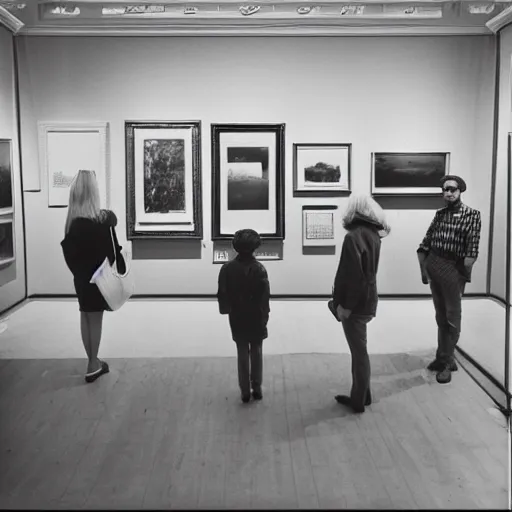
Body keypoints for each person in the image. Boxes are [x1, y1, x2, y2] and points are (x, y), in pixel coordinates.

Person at [61, 170, 125, 383]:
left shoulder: (72, 224)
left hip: (81, 279)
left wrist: (79, 273)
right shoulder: (101, 220)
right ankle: (92, 364)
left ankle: (92, 359)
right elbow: (111, 252)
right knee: (96, 319)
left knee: (85, 315)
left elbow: (69, 255)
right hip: (99, 278)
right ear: (93, 192)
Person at [417, 175, 481, 384]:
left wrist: (462, 274)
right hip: (435, 264)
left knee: (453, 316)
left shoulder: (472, 215)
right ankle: (443, 356)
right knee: (441, 315)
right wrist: (424, 267)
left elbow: (472, 250)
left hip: (454, 268)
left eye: (452, 189)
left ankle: (447, 361)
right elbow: (427, 241)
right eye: (445, 190)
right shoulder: (440, 215)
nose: (449, 193)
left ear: (460, 190)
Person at [332, 194, 391, 413]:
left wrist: (346, 305)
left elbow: (353, 275)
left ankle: (358, 399)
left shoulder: (354, 237)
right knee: (360, 350)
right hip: (368, 298)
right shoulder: (373, 234)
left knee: (359, 353)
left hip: (355, 303)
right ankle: (363, 394)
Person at [217, 229, 271, 403]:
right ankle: (257, 387)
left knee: (241, 350)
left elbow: (222, 294)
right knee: (257, 350)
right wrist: (265, 315)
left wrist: (226, 309)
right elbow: (264, 297)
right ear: (255, 247)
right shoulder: (260, 269)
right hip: (256, 315)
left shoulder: (227, 269)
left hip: (237, 315)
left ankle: (245, 391)